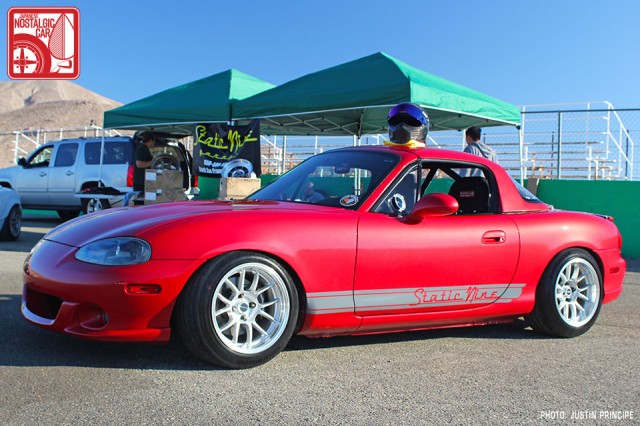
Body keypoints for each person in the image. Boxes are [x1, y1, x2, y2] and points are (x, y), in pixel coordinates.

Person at [131, 132, 156, 205]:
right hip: (140, 183)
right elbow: (139, 164)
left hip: (144, 183)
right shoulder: (142, 149)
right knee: (140, 204)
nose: (154, 143)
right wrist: (152, 162)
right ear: (151, 140)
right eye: (154, 141)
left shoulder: (145, 149)